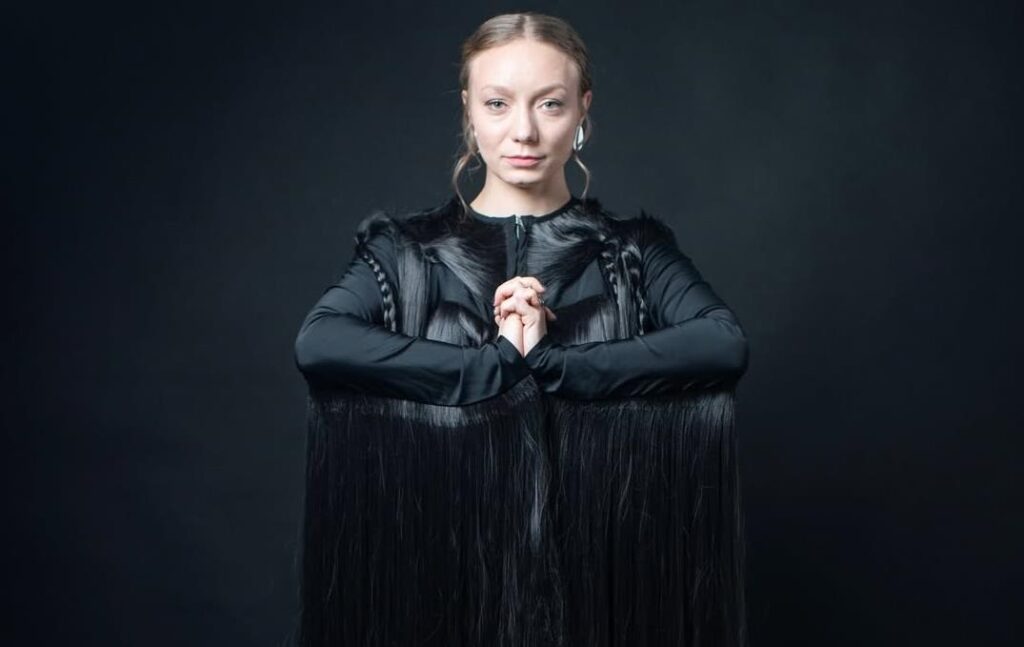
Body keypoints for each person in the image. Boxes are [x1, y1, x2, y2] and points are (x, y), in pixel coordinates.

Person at [293, 11, 750, 647]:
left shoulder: (633, 251)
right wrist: (498, 364)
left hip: (601, 590)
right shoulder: (404, 250)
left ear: (583, 108)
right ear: (468, 109)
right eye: (498, 103)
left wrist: (555, 364)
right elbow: (319, 342)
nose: (524, 131)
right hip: (440, 585)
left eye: (550, 104)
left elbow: (722, 342)